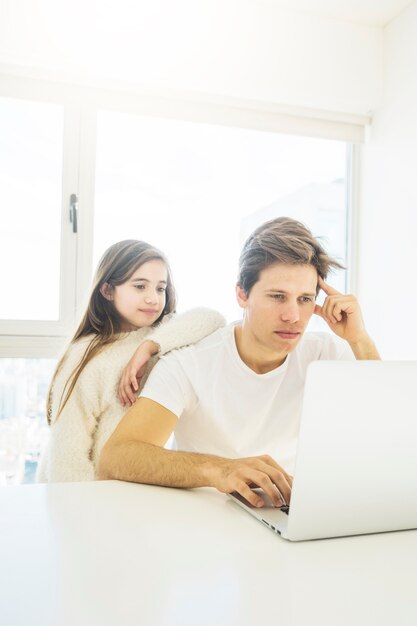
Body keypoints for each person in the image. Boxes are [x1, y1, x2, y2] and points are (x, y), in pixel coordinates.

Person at [98, 218, 380, 508]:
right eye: (278, 297)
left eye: (305, 299)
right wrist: (219, 469)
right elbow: (116, 457)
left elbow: (386, 426)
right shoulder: (189, 363)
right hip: (203, 520)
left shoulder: (326, 353)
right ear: (242, 294)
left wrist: (360, 339)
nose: (293, 316)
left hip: (289, 516)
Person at [36, 239, 225, 482]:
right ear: (107, 290)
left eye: (160, 288)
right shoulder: (86, 356)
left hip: (126, 486)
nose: (153, 299)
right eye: (140, 287)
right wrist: (82, 511)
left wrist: (148, 348)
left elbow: (213, 319)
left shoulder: (162, 335)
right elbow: (67, 456)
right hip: (84, 490)